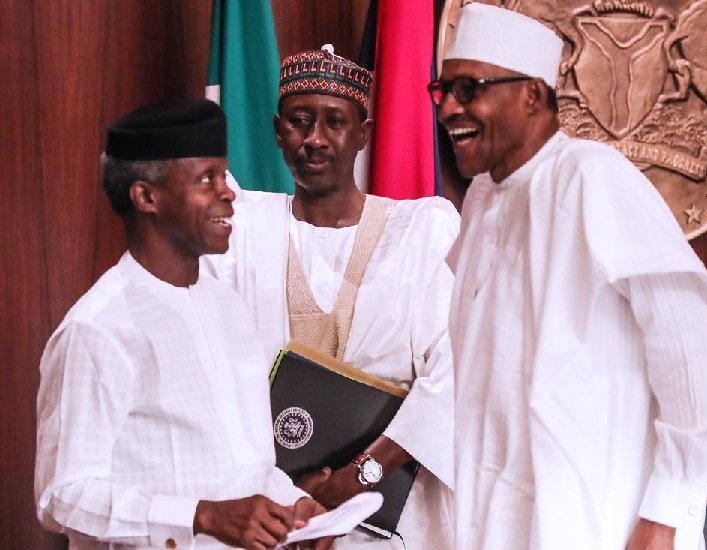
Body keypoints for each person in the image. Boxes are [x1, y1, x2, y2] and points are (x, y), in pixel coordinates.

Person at [433, 4, 707, 550]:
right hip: (492, 514)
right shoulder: (481, 199)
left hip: (597, 514)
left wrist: (666, 508)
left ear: (532, 94)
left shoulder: (592, 175)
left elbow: (690, 337)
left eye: (470, 88)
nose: (449, 108)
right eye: (443, 90)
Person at [35, 98, 333, 550]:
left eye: (224, 174)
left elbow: (244, 466)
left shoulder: (228, 306)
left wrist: (292, 506)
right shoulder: (99, 330)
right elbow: (63, 496)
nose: (228, 191)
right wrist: (199, 517)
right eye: (205, 179)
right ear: (147, 196)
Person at [203, 46, 457, 549]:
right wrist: (286, 497)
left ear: (363, 133)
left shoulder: (418, 234)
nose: (315, 140)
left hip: (388, 514)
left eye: (335, 122)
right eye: (300, 121)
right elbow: (213, 372)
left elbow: (453, 376)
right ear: (277, 131)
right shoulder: (241, 232)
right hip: (266, 513)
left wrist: (356, 479)